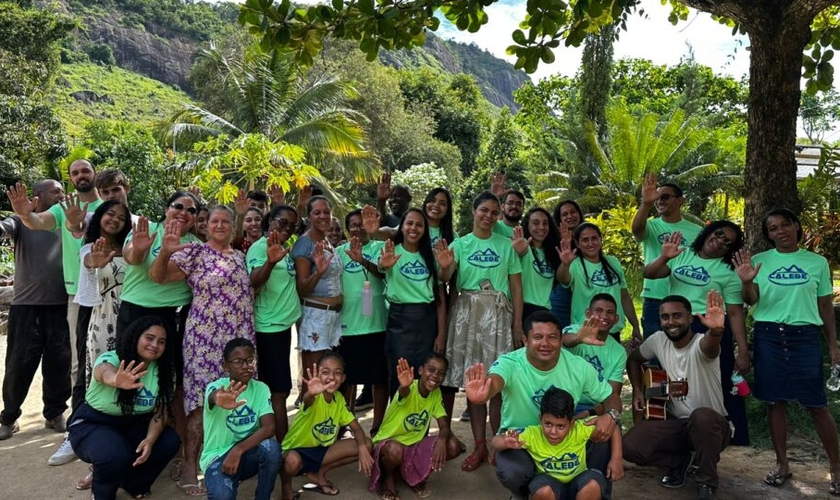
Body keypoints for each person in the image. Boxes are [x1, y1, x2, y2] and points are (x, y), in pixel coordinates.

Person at [150, 204, 256, 496]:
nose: (220, 225)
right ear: (206, 226)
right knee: (199, 404)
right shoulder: (195, 252)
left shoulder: (241, 256)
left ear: (232, 227)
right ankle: (189, 466)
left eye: (225, 221)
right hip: (204, 341)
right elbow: (159, 276)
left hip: (239, 340)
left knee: (236, 399)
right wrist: (165, 252)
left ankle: (224, 463)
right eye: (214, 221)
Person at [733, 208, 840, 493]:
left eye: (785, 225)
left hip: (805, 338)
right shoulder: (760, 260)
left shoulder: (817, 262)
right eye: (773, 228)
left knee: (817, 405)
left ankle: (836, 468)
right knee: (775, 402)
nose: (780, 231)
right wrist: (746, 281)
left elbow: (825, 306)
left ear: (796, 226)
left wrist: (833, 346)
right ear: (768, 235)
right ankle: (782, 464)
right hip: (768, 337)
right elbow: (751, 299)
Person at [463, 310, 620, 499]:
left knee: (606, 429)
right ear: (525, 340)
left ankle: (594, 493)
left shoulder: (578, 366)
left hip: (564, 439)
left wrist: (611, 416)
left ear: (561, 341)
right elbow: (495, 381)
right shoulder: (509, 362)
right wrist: (482, 395)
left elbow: (611, 397)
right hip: (521, 441)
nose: (545, 343)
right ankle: (524, 495)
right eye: (537, 337)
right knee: (512, 470)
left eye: (552, 337)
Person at [434, 191, 524, 472]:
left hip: (498, 314)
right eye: (484, 210)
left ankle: (498, 443)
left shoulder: (507, 246)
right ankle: (479, 445)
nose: (489, 216)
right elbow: (446, 278)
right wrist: (445, 267)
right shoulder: (460, 244)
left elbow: (516, 287)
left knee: (496, 383)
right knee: (476, 382)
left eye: (494, 212)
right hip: (467, 315)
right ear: (473, 211)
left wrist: (517, 324)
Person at [8, 160, 102, 414]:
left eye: (85, 170)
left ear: (94, 174)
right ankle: (78, 415)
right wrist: (24, 214)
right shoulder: (62, 209)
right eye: (75, 173)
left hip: (106, 291)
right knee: (73, 359)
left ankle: (94, 411)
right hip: (72, 295)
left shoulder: (108, 206)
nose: (81, 175)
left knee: (99, 353)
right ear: (71, 178)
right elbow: (36, 222)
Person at [644, 221, 750, 445]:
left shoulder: (728, 272)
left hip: (710, 328)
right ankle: (671, 430)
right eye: (718, 234)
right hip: (676, 325)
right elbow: (650, 274)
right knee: (669, 379)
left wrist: (742, 350)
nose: (719, 241)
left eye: (727, 242)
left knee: (717, 381)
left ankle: (729, 435)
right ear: (708, 232)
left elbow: (734, 313)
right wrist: (664, 257)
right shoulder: (683, 254)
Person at [623, 292, 731, 500]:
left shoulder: (701, 345)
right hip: (676, 426)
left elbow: (710, 346)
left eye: (677, 316)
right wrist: (637, 389)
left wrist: (716, 331)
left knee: (702, 417)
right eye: (665, 317)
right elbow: (634, 360)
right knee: (629, 446)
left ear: (690, 318)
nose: (671, 322)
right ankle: (679, 461)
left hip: (712, 429)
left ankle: (707, 483)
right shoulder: (658, 340)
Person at [67, 316, 180, 500]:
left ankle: (133, 483)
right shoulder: (113, 358)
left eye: (161, 341)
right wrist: (116, 379)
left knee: (169, 441)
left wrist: (149, 440)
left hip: (133, 424)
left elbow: (161, 412)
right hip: (94, 423)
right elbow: (103, 370)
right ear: (136, 336)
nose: (155, 345)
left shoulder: (165, 371)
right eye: (149, 338)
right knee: (113, 455)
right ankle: (102, 492)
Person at [0, 180, 68, 441]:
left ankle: (54, 413)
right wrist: (19, 213)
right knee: (18, 365)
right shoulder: (20, 221)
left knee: (59, 363)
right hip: (26, 307)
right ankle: (9, 417)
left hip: (61, 306)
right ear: (38, 196)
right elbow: (3, 229)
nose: (62, 195)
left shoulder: (68, 221)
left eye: (62, 191)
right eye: (56, 191)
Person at [491, 387, 623, 500]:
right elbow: (496, 441)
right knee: (542, 490)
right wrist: (506, 442)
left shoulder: (579, 429)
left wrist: (616, 458)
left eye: (560, 426)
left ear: (571, 424)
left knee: (593, 483)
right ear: (540, 419)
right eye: (548, 424)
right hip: (549, 486)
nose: (553, 432)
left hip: (578, 484)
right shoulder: (532, 434)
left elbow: (612, 426)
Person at [281, 353, 374, 500]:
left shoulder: (339, 399)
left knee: (367, 444)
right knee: (291, 462)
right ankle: (286, 487)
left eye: (337, 373)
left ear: (343, 378)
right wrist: (310, 393)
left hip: (321, 450)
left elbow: (356, 427)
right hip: (297, 451)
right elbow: (307, 400)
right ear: (318, 374)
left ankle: (319, 472)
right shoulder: (314, 397)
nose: (331, 377)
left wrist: (362, 447)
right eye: (325, 372)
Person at [370, 355, 462, 500]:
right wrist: (404, 386)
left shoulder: (436, 393)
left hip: (413, 446)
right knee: (395, 451)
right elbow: (403, 392)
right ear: (420, 370)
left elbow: (444, 425)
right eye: (431, 370)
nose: (435, 375)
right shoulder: (409, 387)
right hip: (389, 444)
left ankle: (409, 473)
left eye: (441, 373)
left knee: (453, 445)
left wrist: (441, 440)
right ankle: (388, 476)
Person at [377, 208, 447, 397]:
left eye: (419, 225)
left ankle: (422, 416)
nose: (413, 228)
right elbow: (382, 267)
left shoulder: (432, 256)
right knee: (400, 374)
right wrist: (383, 265)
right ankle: (397, 414)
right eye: (409, 223)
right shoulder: (391, 251)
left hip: (427, 320)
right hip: (400, 319)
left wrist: (441, 334)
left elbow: (440, 298)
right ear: (401, 227)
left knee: (426, 375)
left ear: (425, 229)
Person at [201, 338, 281, 500]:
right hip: (217, 457)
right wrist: (217, 398)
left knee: (271, 448)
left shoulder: (261, 388)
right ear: (225, 366)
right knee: (222, 496)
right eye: (238, 361)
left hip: (246, 452)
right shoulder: (217, 387)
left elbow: (269, 427)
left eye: (250, 360)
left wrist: (238, 450)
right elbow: (213, 396)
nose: (245, 366)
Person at [247, 204, 301, 443]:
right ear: (270, 221)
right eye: (282, 222)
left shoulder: (283, 247)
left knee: (281, 389)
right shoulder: (261, 248)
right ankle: (282, 447)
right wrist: (269, 262)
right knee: (277, 392)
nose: (287, 228)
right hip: (269, 328)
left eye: (292, 225)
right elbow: (254, 281)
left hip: (282, 326)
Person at [336, 209, 388, 433]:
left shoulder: (380, 247)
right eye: (353, 225)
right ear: (347, 229)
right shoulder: (339, 252)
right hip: (348, 326)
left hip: (378, 324)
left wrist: (363, 261)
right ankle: (349, 426)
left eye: (361, 224)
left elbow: (383, 273)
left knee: (379, 379)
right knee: (348, 380)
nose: (358, 228)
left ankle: (378, 426)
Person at [632, 174, 701, 338]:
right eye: (657, 197)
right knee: (654, 349)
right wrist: (646, 203)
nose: (659, 201)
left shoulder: (697, 231)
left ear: (680, 201)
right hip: (654, 296)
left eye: (665, 197)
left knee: (686, 349)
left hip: (686, 298)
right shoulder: (650, 226)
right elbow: (636, 230)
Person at [557, 222, 641, 344]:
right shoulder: (575, 264)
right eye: (585, 240)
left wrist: (635, 325)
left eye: (594, 238)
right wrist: (565, 264)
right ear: (577, 244)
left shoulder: (613, 262)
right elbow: (562, 279)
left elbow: (624, 297)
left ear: (601, 239)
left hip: (612, 330)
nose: (590, 243)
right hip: (586, 333)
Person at [292, 195, 344, 386]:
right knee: (314, 378)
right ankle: (307, 406)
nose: (323, 216)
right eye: (317, 212)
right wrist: (318, 273)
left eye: (326, 212)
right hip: (316, 315)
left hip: (333, 316)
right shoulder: (305, 244)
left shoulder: (326, 241)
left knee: (327, 377)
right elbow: (302, 288)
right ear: (309, 217)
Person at [562, 294, 627, 416]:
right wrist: (579, 338)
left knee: (612, 422)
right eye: (599, 310)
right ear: (588, 313)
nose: (604, 316)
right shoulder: (575, 330)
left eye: (610, 312)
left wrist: (591, 412)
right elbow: (564, 341)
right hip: (563, 402)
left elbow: (612, 395)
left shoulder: (619, 352)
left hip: (593, 407)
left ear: (616, 319)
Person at [513, 207, 562, 325]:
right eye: (536, 223)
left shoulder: (552, 253)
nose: (541, 227)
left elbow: (563, 280)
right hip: (522, 309)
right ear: (527, 225)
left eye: (545, 223)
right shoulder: (522, 246)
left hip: (545, 311)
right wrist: (518, 253)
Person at [549, 200, 584, 329]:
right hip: (561, 293)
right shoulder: (552, 239)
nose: (570, 216)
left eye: (573, 212)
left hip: (584, 290)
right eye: (565, 214)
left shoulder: (588, 235)